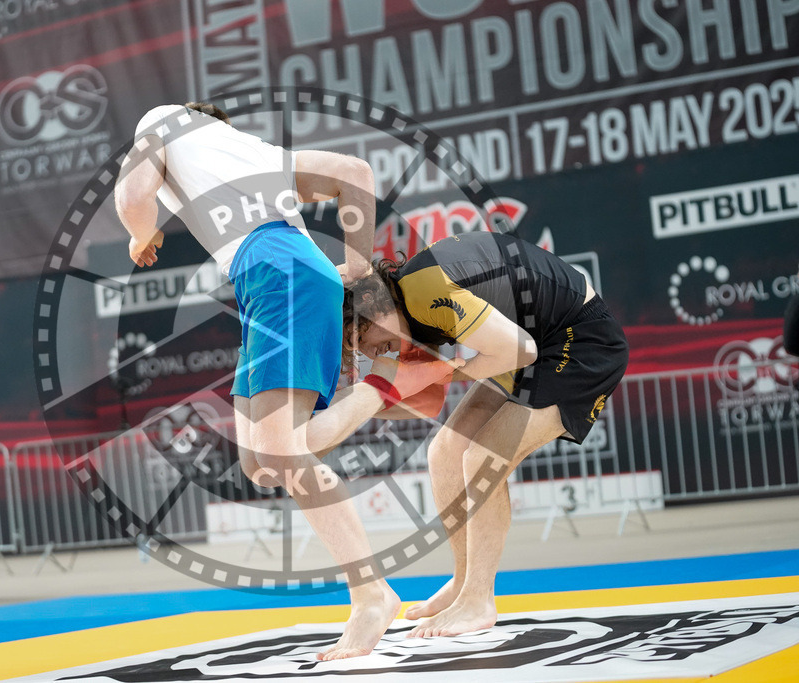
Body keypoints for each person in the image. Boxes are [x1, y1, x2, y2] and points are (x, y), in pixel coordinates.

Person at [114, 102, 459, 660]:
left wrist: (139, 235)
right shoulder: (253, 152)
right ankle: (390, 385)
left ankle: (371, 593)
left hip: (279, 273)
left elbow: (132, 197)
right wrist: (353, 264)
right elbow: (357, 176)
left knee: (282, 449)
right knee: (261, 462)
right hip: (279, 275)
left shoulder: (160, 123)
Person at [342, 231, 629, 637]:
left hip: (580, 340)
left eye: (363, 340)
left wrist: (442, 371)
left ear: (375, 307)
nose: (373, 353)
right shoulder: (408, 310)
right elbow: (428, 402)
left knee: (482, 456)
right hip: (537, 340)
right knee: (444, 451)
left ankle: (479, 599)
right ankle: (463, 584)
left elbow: (520, 352)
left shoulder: (424, 291)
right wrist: (371, 398)